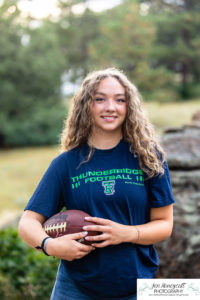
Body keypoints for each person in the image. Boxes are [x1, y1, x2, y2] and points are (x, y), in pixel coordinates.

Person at [18, 68, 175, 300]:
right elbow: (28, 222)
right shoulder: (66, 164)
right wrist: (49, 245)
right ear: (85, 106)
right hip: (74, 288)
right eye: (99, 99)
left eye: (119, 100)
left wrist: (126, 233)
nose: (110, 107)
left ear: (129, 106)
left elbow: (164, 224)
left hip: (136, 286)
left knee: (190, 294)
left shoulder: (149, 158)